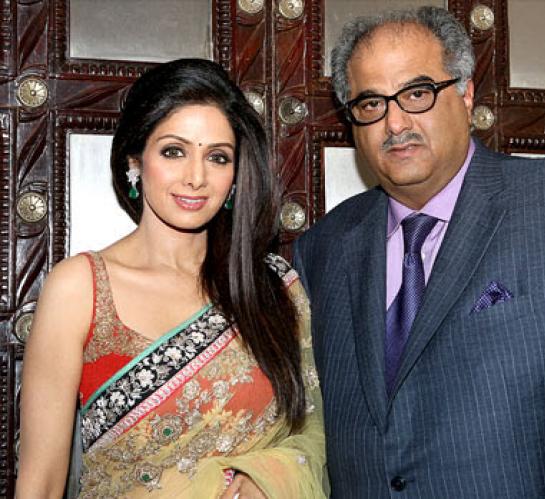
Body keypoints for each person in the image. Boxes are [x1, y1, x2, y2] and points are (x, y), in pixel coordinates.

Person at [293, 6, 545, 498]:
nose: (395, 122)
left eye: (417, 93)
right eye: (371, 103)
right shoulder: (322, 249)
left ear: (466, 94)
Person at [16, 58, 326, 499]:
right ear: (135, 160)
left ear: (236, 175)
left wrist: (265, 479)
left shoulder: (273, 287)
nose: (196, 178)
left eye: (217, 157)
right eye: (173, 151)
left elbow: (315, 435)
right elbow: (41, 484)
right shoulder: (80, 288)